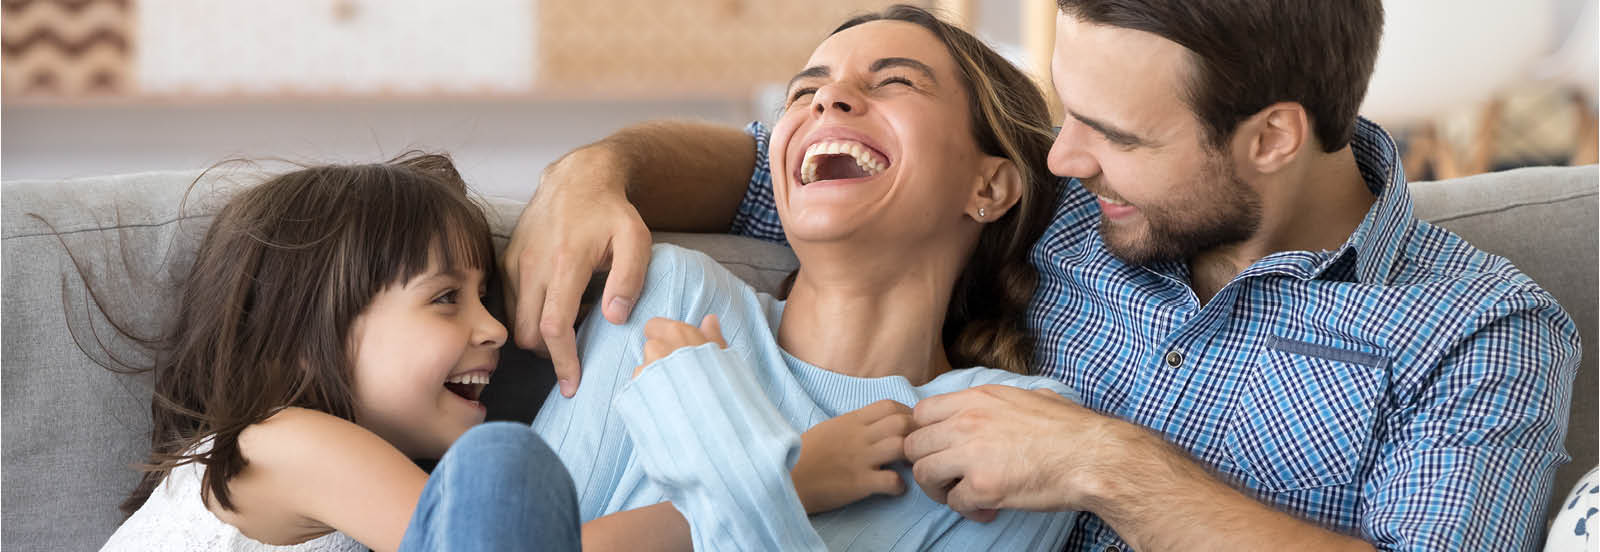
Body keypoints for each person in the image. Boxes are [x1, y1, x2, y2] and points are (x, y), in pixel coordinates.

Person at [503, 1, 1581, 550]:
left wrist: (1109, 466)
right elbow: (777, 170)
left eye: (1110, 133)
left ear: (1271, 137)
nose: (1060, 158)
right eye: (1063, 114)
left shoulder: (1475, 332)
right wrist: (601, 169)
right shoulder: (1049, 207)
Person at [526, 6, 1082, 550]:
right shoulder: (670, 295)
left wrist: (718, 440)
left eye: (894, 82)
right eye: (802, 93)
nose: (826, 99)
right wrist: (786, 481)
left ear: (987, 188)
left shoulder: (1013, 434)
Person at [97, 154, 579, 552]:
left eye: (484, 296)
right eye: (446, 298)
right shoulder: (287, 442)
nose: (496, 327)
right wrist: (659, 507)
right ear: (301, 339)